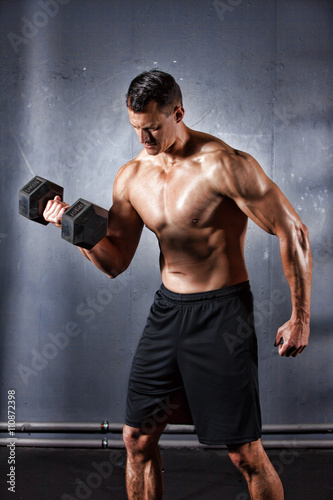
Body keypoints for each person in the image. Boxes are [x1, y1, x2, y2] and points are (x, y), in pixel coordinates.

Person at [44, 69, 312, 500]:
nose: (144, 139)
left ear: (178, 112)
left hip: (223, 315)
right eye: (136, 129)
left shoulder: (224, 165)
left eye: (152, 127)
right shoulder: (131, 178)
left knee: (244, 454)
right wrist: (75, 231)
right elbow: (115, 262)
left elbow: (293, 231)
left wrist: (301, 317)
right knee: (136, 440)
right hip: (168, 313)